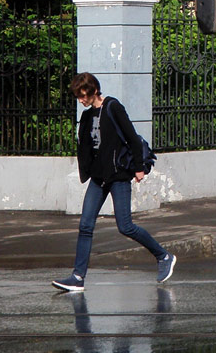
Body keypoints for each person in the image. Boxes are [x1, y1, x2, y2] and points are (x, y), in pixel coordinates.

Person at [52, 72, 176, 292]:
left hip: (118, 177)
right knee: (85, 225)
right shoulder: (88, 117)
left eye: (83, 96)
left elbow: (132, 137)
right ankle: (78, 277)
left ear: (93, 91)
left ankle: (164, 256)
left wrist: (139, 168)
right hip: (99, 179)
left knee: (125, 226)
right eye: (78, 97)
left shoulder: (113, 107)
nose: (80, 100)